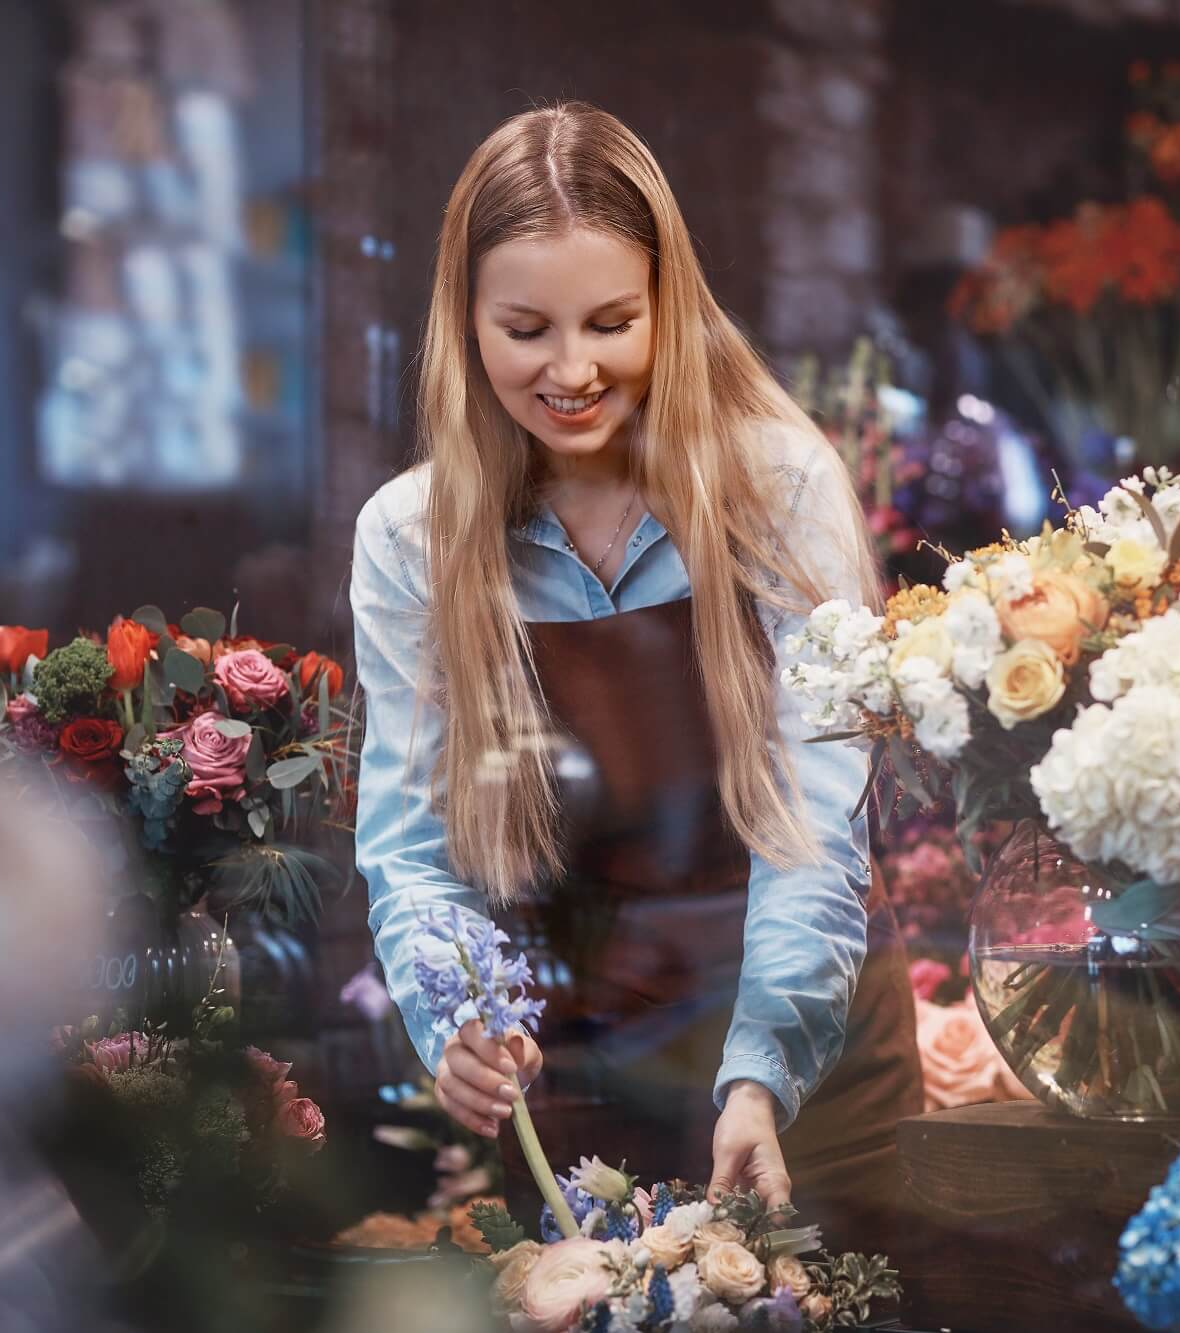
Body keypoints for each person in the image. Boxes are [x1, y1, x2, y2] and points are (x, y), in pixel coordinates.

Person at [350, 102, 922, 1240]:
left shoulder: (780, 487)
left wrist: (758, 1075)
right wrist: (456, 1020)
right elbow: (411, 847)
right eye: (526, 329)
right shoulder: (411, 538)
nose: (573, 369)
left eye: (612, 321)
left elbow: (811, 823)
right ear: (465, 322)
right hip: (577, 1080)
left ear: (669, 304)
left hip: (808, 1069)